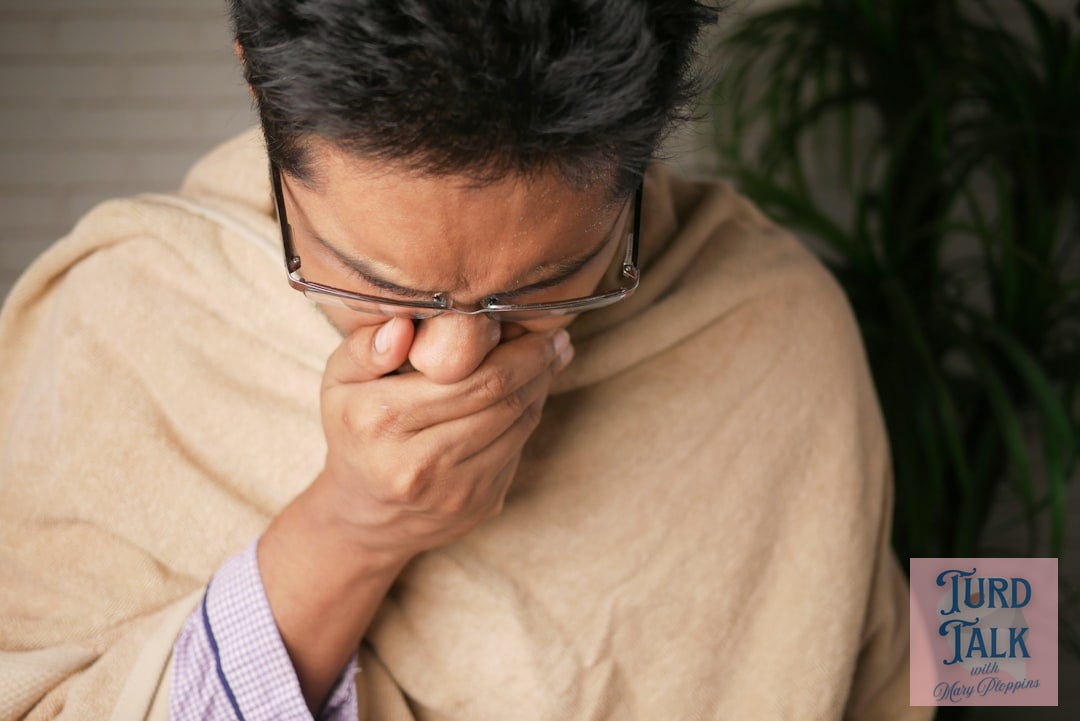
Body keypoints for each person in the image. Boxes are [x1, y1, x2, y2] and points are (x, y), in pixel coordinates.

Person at [0, 2, 933, 720]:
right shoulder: (118, 323)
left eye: (557, 278)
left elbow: (899, 667)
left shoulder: (776, 323)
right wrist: (349, 530)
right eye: (370, 280)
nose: (455, 361)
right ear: (259, 90)